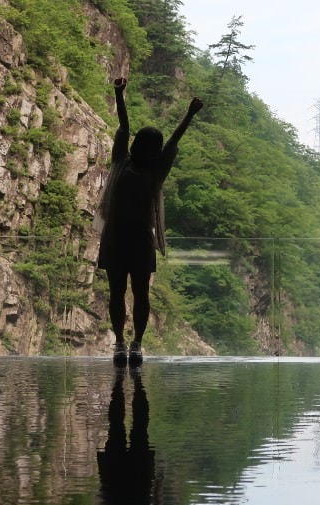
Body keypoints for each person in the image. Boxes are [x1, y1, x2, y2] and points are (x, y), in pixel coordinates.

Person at [95, 77, 203, 365]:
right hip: (125, 237)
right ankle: (121, 342)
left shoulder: (153, 169)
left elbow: (173, 141)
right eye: (150, 144)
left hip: (132, 237)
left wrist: (189, 116)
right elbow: (123, 127)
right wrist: (119, 94)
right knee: (120, 291)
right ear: (143, 146)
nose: (152, 149)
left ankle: (135, 343)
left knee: (137, 293)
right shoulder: (124, 162)